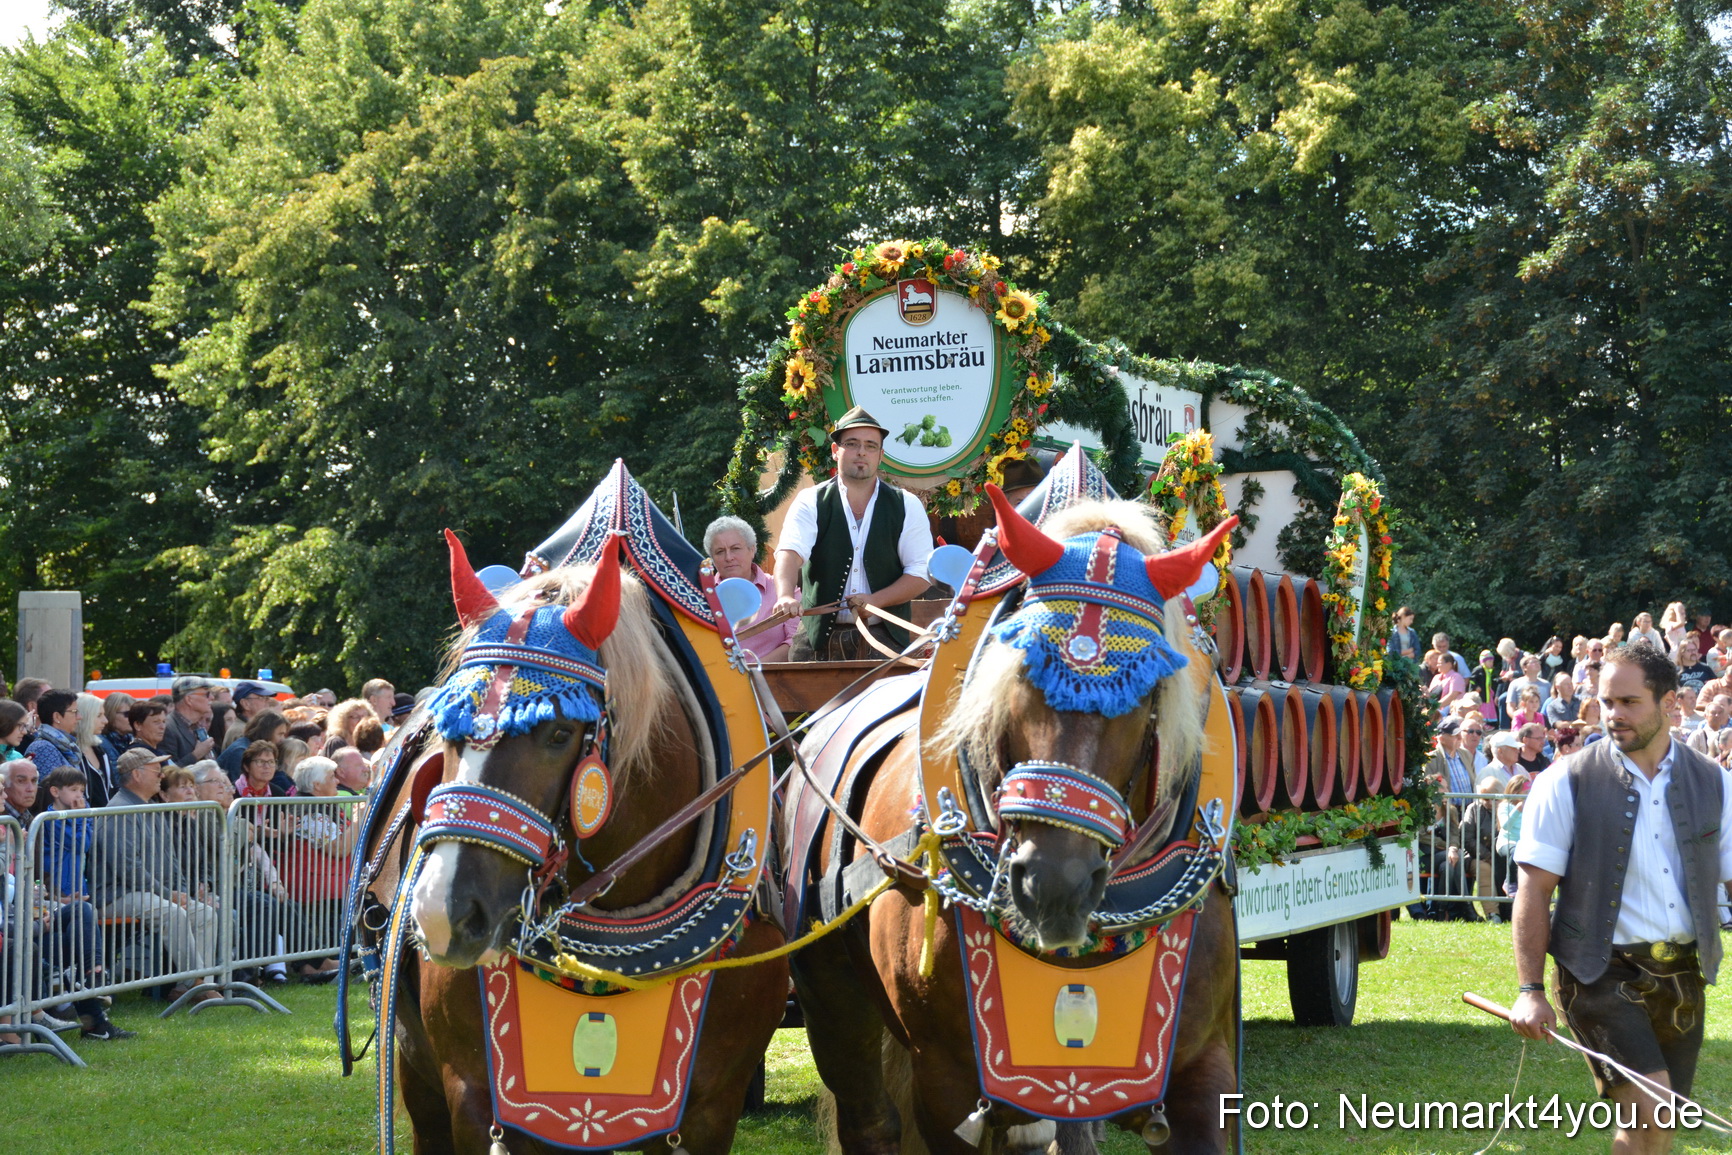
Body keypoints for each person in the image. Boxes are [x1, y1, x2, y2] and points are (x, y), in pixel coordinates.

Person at [1511, 642, 1732, 1154]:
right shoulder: (1565, 780)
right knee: (1651, 1109)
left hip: (1683, 974)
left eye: (1629, 702)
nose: (1614, 715)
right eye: (1607, 702)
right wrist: (1530, 988)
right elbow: (1534, 889)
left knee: (1654, 1130)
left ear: (1671, 703)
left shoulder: (1715, 783)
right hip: (1597, 973)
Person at [772, 406, 933, 661]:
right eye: (852, 443)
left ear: (880, 455)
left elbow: (921, 572)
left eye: (870, 446)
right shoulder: (811, 500)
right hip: (816, 642)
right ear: (836, 451)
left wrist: (875, 601)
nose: (861, 452)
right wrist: (784, 595)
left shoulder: (907, 504)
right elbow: (789, 553)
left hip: (884, 639)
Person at [92, 748, 222, 1005]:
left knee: (205, 914)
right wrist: (168, 895)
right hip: (113, 895)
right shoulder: (119, 810)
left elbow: (170, 861)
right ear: (137, 775)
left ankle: (187, 987)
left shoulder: (152, 808)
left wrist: (183, 891)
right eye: (155, 770)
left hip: (145, 893)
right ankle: (199, 982)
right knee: (172, 912)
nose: (161, 775)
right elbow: (128, 868)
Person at [704, 514, 798, 662]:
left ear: (752, 550)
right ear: (712, 558)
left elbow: (795, 642)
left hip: (772, 680)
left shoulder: (781, 590)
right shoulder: (701, 597)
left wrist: (751, 671)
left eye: (735, 548)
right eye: (720, 551)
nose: (729, 557)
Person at [24, 689, 82, 781]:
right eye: (74, 712)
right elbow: (51, 790)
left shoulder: (66, 745)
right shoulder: (43, 748)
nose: (79, 717)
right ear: (57, 717)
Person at [72, 692, 117, 809]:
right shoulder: (71, 751)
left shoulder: (100, 750)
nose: (105, 721)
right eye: (99, 715)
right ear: (85, 717)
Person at [218, 708, 287, 781]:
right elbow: (239, 788)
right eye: (280, 734)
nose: (283, 739)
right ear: (267, 732)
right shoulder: (241, 751)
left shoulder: (254, 748)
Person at [161, 676, 216, 766]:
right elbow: (168, 773)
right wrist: (196, 755)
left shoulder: (198, 726)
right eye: (207, 694)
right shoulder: (168, 728)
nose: (212, 697)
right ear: (189, 699)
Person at [1686, 694, 1732, 759]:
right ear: (1706, 716)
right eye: (1713, 713)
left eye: (1720, 713)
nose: (1717, 715)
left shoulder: (1726, 735)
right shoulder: (1698, 735)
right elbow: (1688, 757)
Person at [99, 693, 135, 763]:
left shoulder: (130, 740)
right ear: (110, 714)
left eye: (135, 713)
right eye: (127, 714)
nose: (133, 718)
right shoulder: (100, 743)